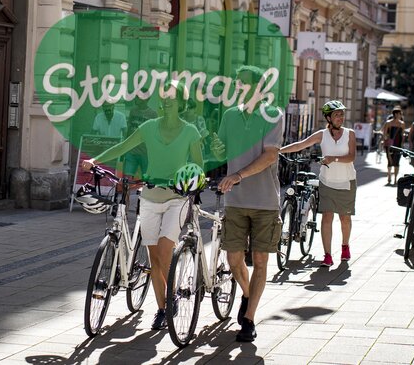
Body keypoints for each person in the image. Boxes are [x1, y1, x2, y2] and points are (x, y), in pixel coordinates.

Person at [81, 81, 203, 331]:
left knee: (165, 253)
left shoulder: (190, 131)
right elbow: (123, 146)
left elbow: (198, 167)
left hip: (175, 200)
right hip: (148, 198)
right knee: (154, 259)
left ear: (180, 101)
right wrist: (95, 159)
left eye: (171, 97)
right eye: (164, 96)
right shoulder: (149, 127)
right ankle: (163, 307)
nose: (166, 100)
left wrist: (189, 182)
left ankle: (168, 301)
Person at [211, 65, 283, 343]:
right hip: (236, 200)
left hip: (265, 201)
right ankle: (247, 293)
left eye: (242, 83)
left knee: (262, 261)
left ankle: (249, 320)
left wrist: (238, 174)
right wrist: (214, 150)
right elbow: (221, 149)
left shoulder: (273, 115)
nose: (238, 87)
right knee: (233, 258)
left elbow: (270, 156)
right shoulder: (229, 115)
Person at [279, 100, 357, 267]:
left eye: (342, 114)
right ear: (328, 117)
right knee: (327, 217)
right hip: (327, 182)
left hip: (346, 182)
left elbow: (351, 157)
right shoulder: (322, 134)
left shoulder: (349, 133)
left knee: (345, 218)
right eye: (337, 114)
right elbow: (301, 144)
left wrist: (333, 159)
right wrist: (279, 150)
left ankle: (345, 245)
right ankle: (327, 255)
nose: (340, 117)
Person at [123, 97, 156, 179]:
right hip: (131, 151)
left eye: (139, 97)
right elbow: (129, 128)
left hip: (145, 152)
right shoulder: (133, 111)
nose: (136, 99)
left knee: (147, 179)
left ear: (146, 99)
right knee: (127, 178)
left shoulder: (153, 114)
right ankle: (126, 192)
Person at [381, 106, 406, 185]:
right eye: (399, 113)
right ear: (395, 114)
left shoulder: (402, 124)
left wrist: (402, 144)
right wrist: (385, 141)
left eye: (400, 114)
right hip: (389, 145)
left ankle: (395, 178)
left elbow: (402, 135)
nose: (400, 115)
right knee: (389, 161)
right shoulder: (388, 123)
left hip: (398, 145)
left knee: (397, 162)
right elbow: (385, 134)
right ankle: (389, 176)